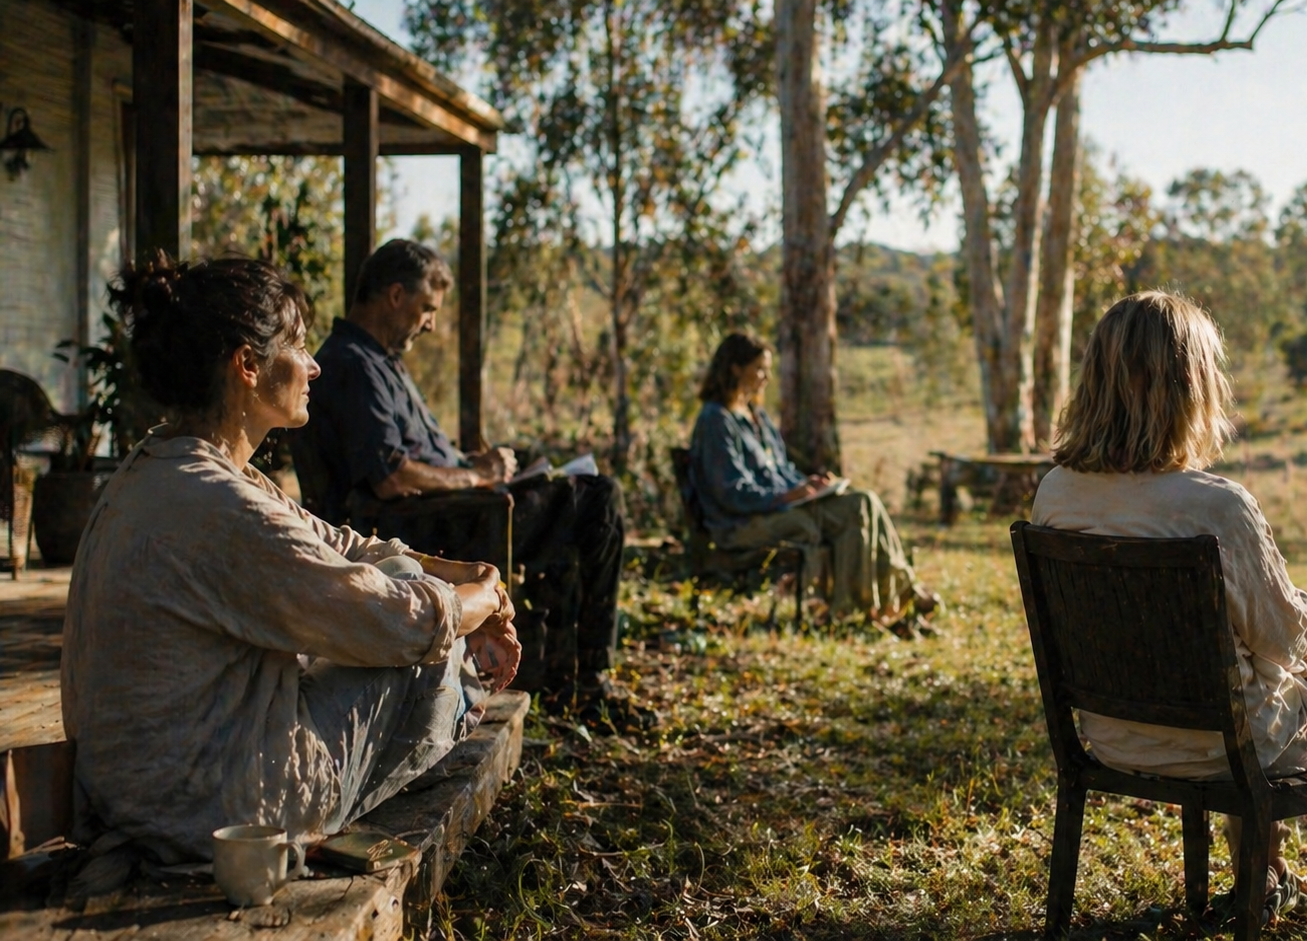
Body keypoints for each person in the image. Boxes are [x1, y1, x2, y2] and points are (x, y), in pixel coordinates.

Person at [60, 253, 521, 863]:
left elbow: (335, 543)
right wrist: (482, 600)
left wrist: (463, 574)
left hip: (145, 793)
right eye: (298, 345)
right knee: (423, 644)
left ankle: (461, 691)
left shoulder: (173, 464)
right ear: (248, 365)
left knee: (408, 580)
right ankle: (462, 699)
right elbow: (402, 620)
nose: (313, 364)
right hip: (214, 813)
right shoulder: (218, 502)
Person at [1031, 291, 1307, 922]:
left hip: (1113, 738)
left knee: (1251, 676)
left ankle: (1262, 876)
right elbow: (1285, 643)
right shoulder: (1218, 506)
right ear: (1192, 387)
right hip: (1228, 749)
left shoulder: (1056, 491)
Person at [303, 239, 649, 729]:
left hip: (462, 507)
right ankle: (587, 679)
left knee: (571, 486)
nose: (431, 324)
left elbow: (420, 453)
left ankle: (562, 669)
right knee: (599, 501)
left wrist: (475, 463)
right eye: (426, 309)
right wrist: (479, 476)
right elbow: (391, 477)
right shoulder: (353, 365)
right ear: (395, 296)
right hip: (438, 526)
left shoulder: (381, 361)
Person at [687, 333, 938, 631]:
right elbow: (731, 491)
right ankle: (866, 605)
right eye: (759, 369)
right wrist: (785, 497)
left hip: (777, 509)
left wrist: (809, 485)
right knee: (854, 511)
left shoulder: (757, 416)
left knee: (865, 501)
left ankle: (878, 603)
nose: (766, 378)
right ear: (735, 368)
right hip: (744, 522)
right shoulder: (717, 420)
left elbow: (781, 469)